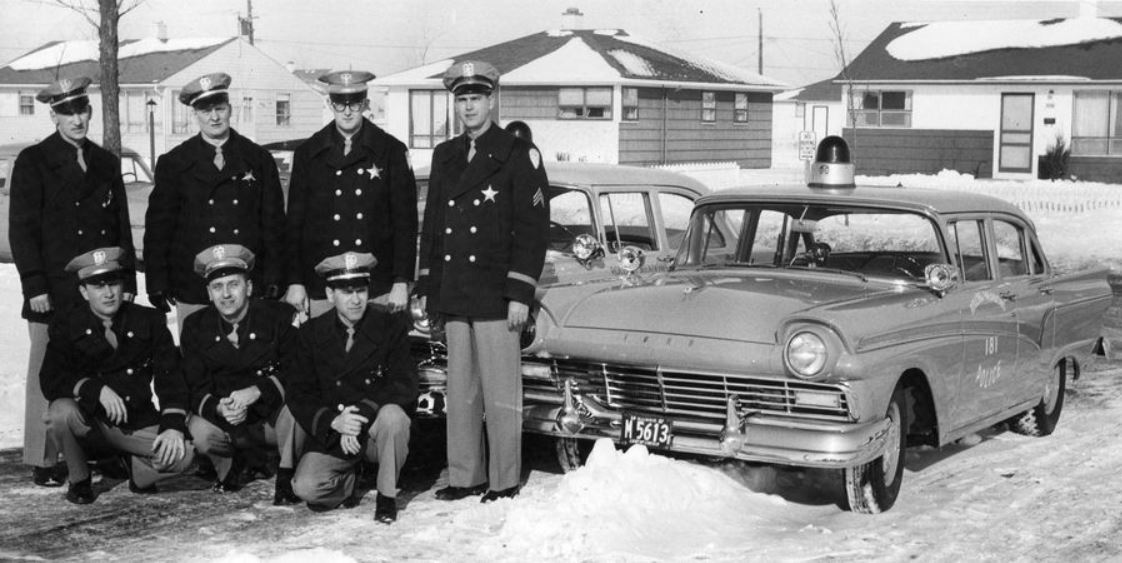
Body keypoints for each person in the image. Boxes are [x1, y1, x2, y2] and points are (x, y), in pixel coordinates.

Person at [416, 60, 549, 502]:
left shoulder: (517, 153)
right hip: (456, 289)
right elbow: (433, 226)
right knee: (462, 390)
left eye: (476, 98)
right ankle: (464, 475)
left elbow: (532, 230)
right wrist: (429, 289)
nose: (469, 106)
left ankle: (504, 479)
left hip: (496, 291)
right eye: (462, 99)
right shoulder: (445, 155)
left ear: (492, 100)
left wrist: (519, 292)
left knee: (500, 391)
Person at [10, 76, 137, 487]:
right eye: (68, 112)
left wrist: (127, 279)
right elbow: (22, 231)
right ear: (54, 116)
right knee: (46, 370)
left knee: (104, 365)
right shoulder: (33, 161)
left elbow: (120, 226)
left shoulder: (104, 161)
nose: (77, 118)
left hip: (98, 287)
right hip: (53, 290)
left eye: (82, 110)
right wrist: (35, 286)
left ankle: (104, 448)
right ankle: (44, 457)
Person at [41, 247, 192, 504]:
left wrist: (173, 425)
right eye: (98, 286)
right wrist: (94, 388)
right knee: (59, 413)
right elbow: (50, 379)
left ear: (123, 286)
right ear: (83, 292)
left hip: (134, 420)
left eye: (113, 283)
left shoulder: (149, 320)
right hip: (91, 423)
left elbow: (171, 377)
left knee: (184, 455)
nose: (108, 293)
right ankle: (80, 479)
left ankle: (138, 471)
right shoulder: (67, 324)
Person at [144, 72, 286, 329]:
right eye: (206, 110)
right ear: (194, 114)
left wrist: (275, 274)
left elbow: (274, 224)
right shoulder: (175, 163)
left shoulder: (258, 159)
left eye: (220, 108)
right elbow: (159, 229)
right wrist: (157, 280)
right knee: (198, 359)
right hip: (194, 285)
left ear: (230, 109)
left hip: (248, 284)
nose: (214, 117)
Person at [288, 252, 417, 523]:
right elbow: (299, 392)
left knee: (394, 417)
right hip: (336, 432)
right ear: (330, 293)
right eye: (347, 292)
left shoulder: (390, 325)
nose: (356, 299)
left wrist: (360, 413)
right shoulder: (311, 333)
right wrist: (334, 421)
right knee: (306, 488)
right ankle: (351, 480)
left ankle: (386, 496)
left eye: (361, 290)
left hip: (373, 431)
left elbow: (405, 383)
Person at [283, 70, 417, 320]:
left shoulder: (391, 151)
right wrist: (295, 281)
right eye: (339, 104)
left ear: (365, 104)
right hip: (324, 285)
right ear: (329, 104)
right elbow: (295, 226)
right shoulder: (308, 153)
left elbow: (405, 223)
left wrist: (401, 281)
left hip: (377, 286)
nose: (347, 111)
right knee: (326, 355)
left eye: (354, 103)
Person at [180, 244, 304, 504]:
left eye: (233, 284)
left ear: (248, 287)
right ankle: (231, 465)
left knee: (297, 407)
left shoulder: (279, 317)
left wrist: (258, 390)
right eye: (217, 287)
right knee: (200, 432)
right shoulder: (195, 326)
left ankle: (286, 473)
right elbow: (194, 386)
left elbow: (299, 371)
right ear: (209, 293)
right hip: (229, 421)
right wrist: (219, 408)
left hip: (270, 419)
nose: (226, 294)